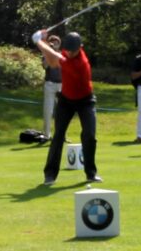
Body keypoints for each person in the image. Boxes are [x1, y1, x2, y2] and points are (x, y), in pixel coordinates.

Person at [32, 30, 102, 185]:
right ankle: (50, 174)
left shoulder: (80, 63)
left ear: (81, 47)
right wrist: (42, 42)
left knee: (89, 135)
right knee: (58, 137)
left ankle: (91, 173)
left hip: (86, 101)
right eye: (68, 50)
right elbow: (52, 62)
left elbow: (55, 59)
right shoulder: (68, 53)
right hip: (66, 100)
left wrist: (39, 42)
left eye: (73, 50)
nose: (69, 53)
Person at [42, 35, 62, 139]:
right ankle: (46, 135)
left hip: (61, 85)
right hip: (49, 84)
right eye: (53, 43)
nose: (55, 44)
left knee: (62, 112)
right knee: (48, 111)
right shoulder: (46, 54)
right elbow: (45, 66)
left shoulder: (62, 55)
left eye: (57, 42)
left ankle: (61, 135)